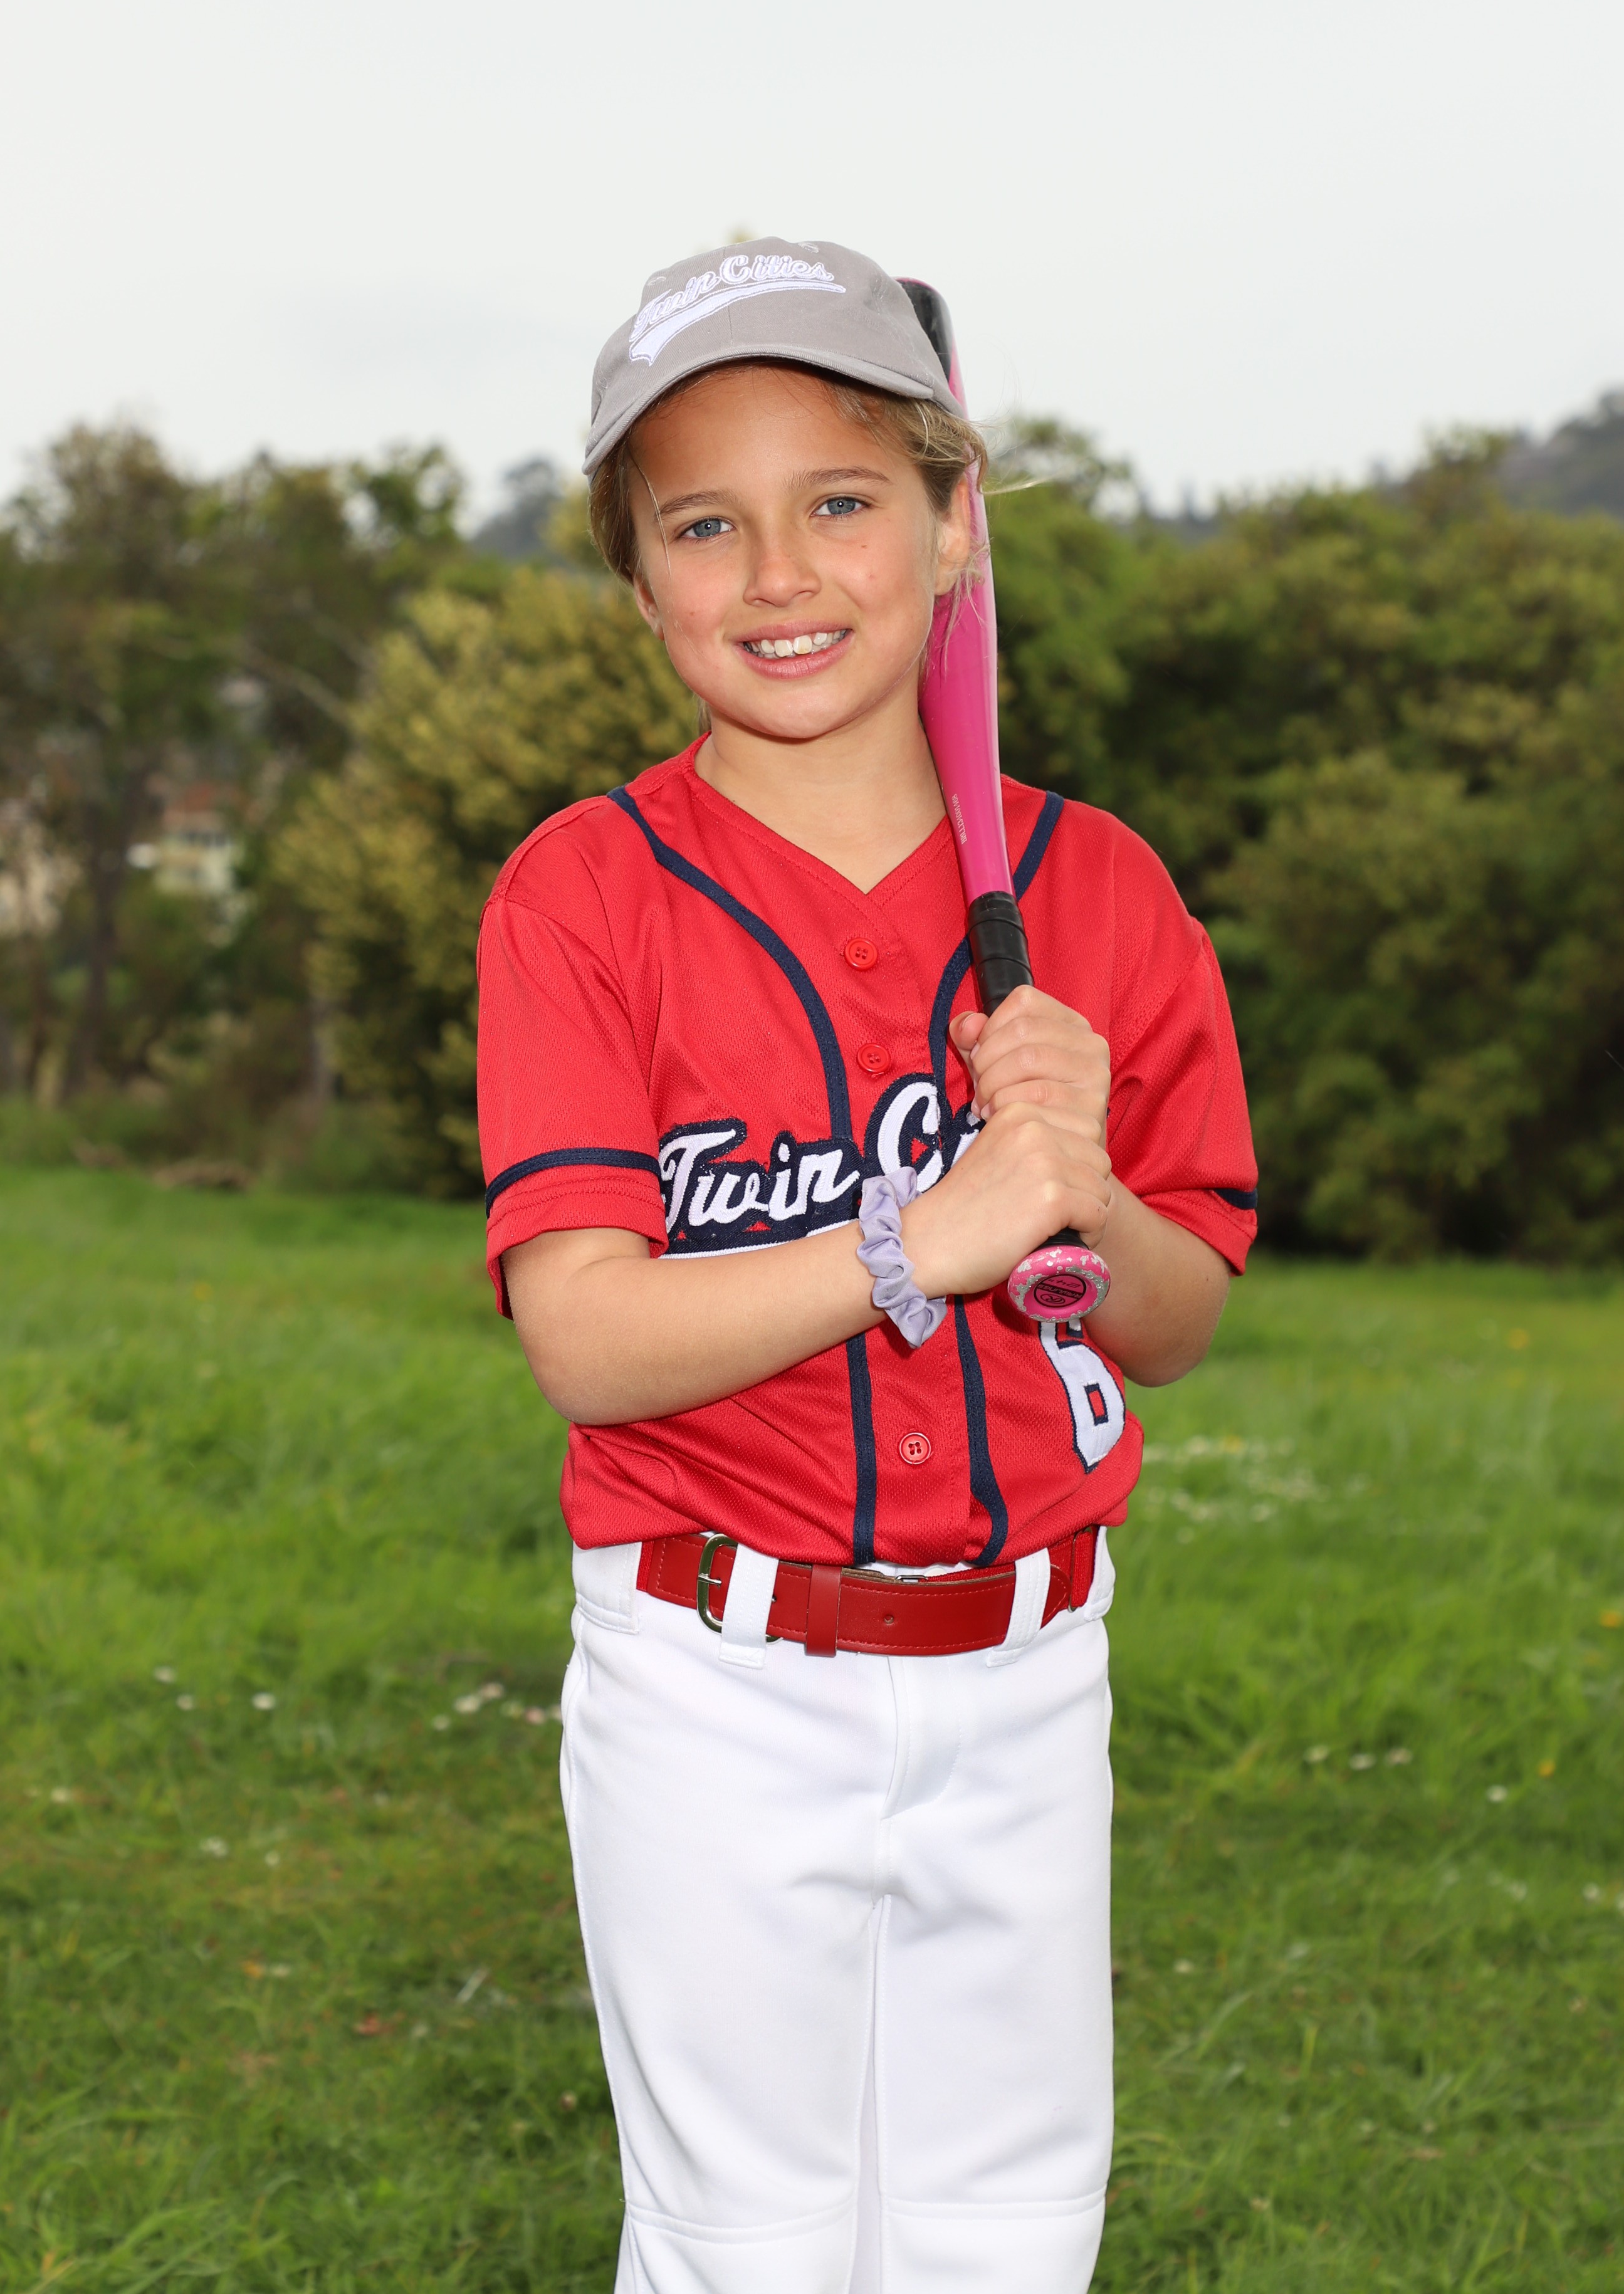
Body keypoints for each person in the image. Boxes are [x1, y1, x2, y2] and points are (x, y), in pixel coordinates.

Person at [476, 239, 1258, 2294]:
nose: (779, 575)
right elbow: (585, 1337)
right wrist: (920, 1238)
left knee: (1008, 2244)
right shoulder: (584, 893)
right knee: (749, 2249)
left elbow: (1177, 1318)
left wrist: (1084, 1194)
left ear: (952, 522)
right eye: (701, 526)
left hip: (1033, 1671)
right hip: (718, 1671)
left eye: (840, 501)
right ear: (639, 583)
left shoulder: (1100, 891)